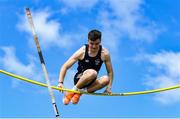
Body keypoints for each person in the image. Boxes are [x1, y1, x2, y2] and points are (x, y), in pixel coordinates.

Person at [58, 29, 114, 105]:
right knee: (92, 72)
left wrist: (109, 87)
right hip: (79, 79)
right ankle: (72, 91)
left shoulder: (105, 53)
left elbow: (110, 72)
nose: (94, 46)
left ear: (100, 41)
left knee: (106, 79)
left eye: (97, 44)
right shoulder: (82, 51)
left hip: (92, 82)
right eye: (91, 43)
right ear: (88, 41)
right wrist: (60, 82)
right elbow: (65, 66)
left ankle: (80, 93)